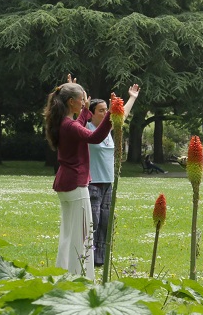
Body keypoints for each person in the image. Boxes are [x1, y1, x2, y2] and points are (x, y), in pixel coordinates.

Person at [44, 80, 115, 280]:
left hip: (65, 183)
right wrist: (110, 114)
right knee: (84, 234)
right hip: (76, 184)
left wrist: (83, 110)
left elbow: (79, 126)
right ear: (71, 102)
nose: (85, 103)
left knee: (68, 232)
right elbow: (94, 137)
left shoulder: (62, 123)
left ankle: (64, 273)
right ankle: (81, 277)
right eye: (82, 100)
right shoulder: (70, 126)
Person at [87, 85, 140, 267]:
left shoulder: (107, 130)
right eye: (102, 110)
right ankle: (87, 257)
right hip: (92, 183)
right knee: (92, 222)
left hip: (108, 184)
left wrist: (131, 97)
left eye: (107, 110)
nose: (106, 113)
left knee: (105, 223)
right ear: (90, 113)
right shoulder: (86, 129)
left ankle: (99, 259)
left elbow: (121, 116)